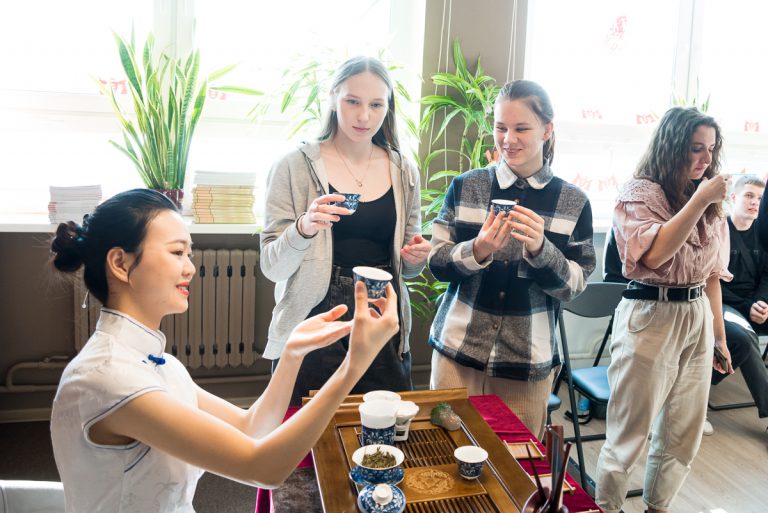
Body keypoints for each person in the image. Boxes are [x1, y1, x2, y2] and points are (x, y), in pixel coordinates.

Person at [49, 189, 400, 513]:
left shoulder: (159, 363)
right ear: (120, 263)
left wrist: (292, 353)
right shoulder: (109, 378)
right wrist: (353, 367)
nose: (190, 267)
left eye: (189, 254)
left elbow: (251, 428)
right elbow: (263, 468)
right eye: (176, 252)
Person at [427, 79, 596, 439]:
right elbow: (436, 263)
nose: (508, 139)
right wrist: (478, 249)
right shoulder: (466, 186)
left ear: (547, 130)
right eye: (501, 127)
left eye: (521, 128)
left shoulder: (573, 202)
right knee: (445, 450)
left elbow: (574, 286)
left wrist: (540, 250)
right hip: (457, 353)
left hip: (525, 363)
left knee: (516, 460)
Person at [260, 56, 429, 406]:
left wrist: (415, 258)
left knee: (383, 425)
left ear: (388, 107)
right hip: (316, 313)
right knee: (306, 428)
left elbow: (409, 269)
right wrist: (303, 228)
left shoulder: (404, 171)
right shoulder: (293, 166)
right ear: (333, 98)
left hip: (381, 310)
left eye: (376, 104)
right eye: (353, 101)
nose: (364, 116)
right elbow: (272, 267)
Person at [595, 107, 733, 513]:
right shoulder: (640, 194)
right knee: (629, 433)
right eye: (696, 148)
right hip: (651, 314)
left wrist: (719, 337)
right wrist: (701, 199)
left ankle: (658, 507)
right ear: (672, 147)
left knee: (683, 432)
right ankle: (607, 508)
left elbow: (711, 275)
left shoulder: (708, 198)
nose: (706, 159)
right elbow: (655, 256)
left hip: (697, 315)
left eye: (711, 149)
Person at [712, 175, 768, 427]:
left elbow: (767, 276)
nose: (755, 202)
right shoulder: (718, 230)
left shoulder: (763, 233)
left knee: (748, 332)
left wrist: (762, 302)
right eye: (749, 196)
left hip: (755, 304)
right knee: (745, 338)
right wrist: (748, 307)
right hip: (725, 305)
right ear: (733, 198)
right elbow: (712, 282)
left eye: (760, 198)